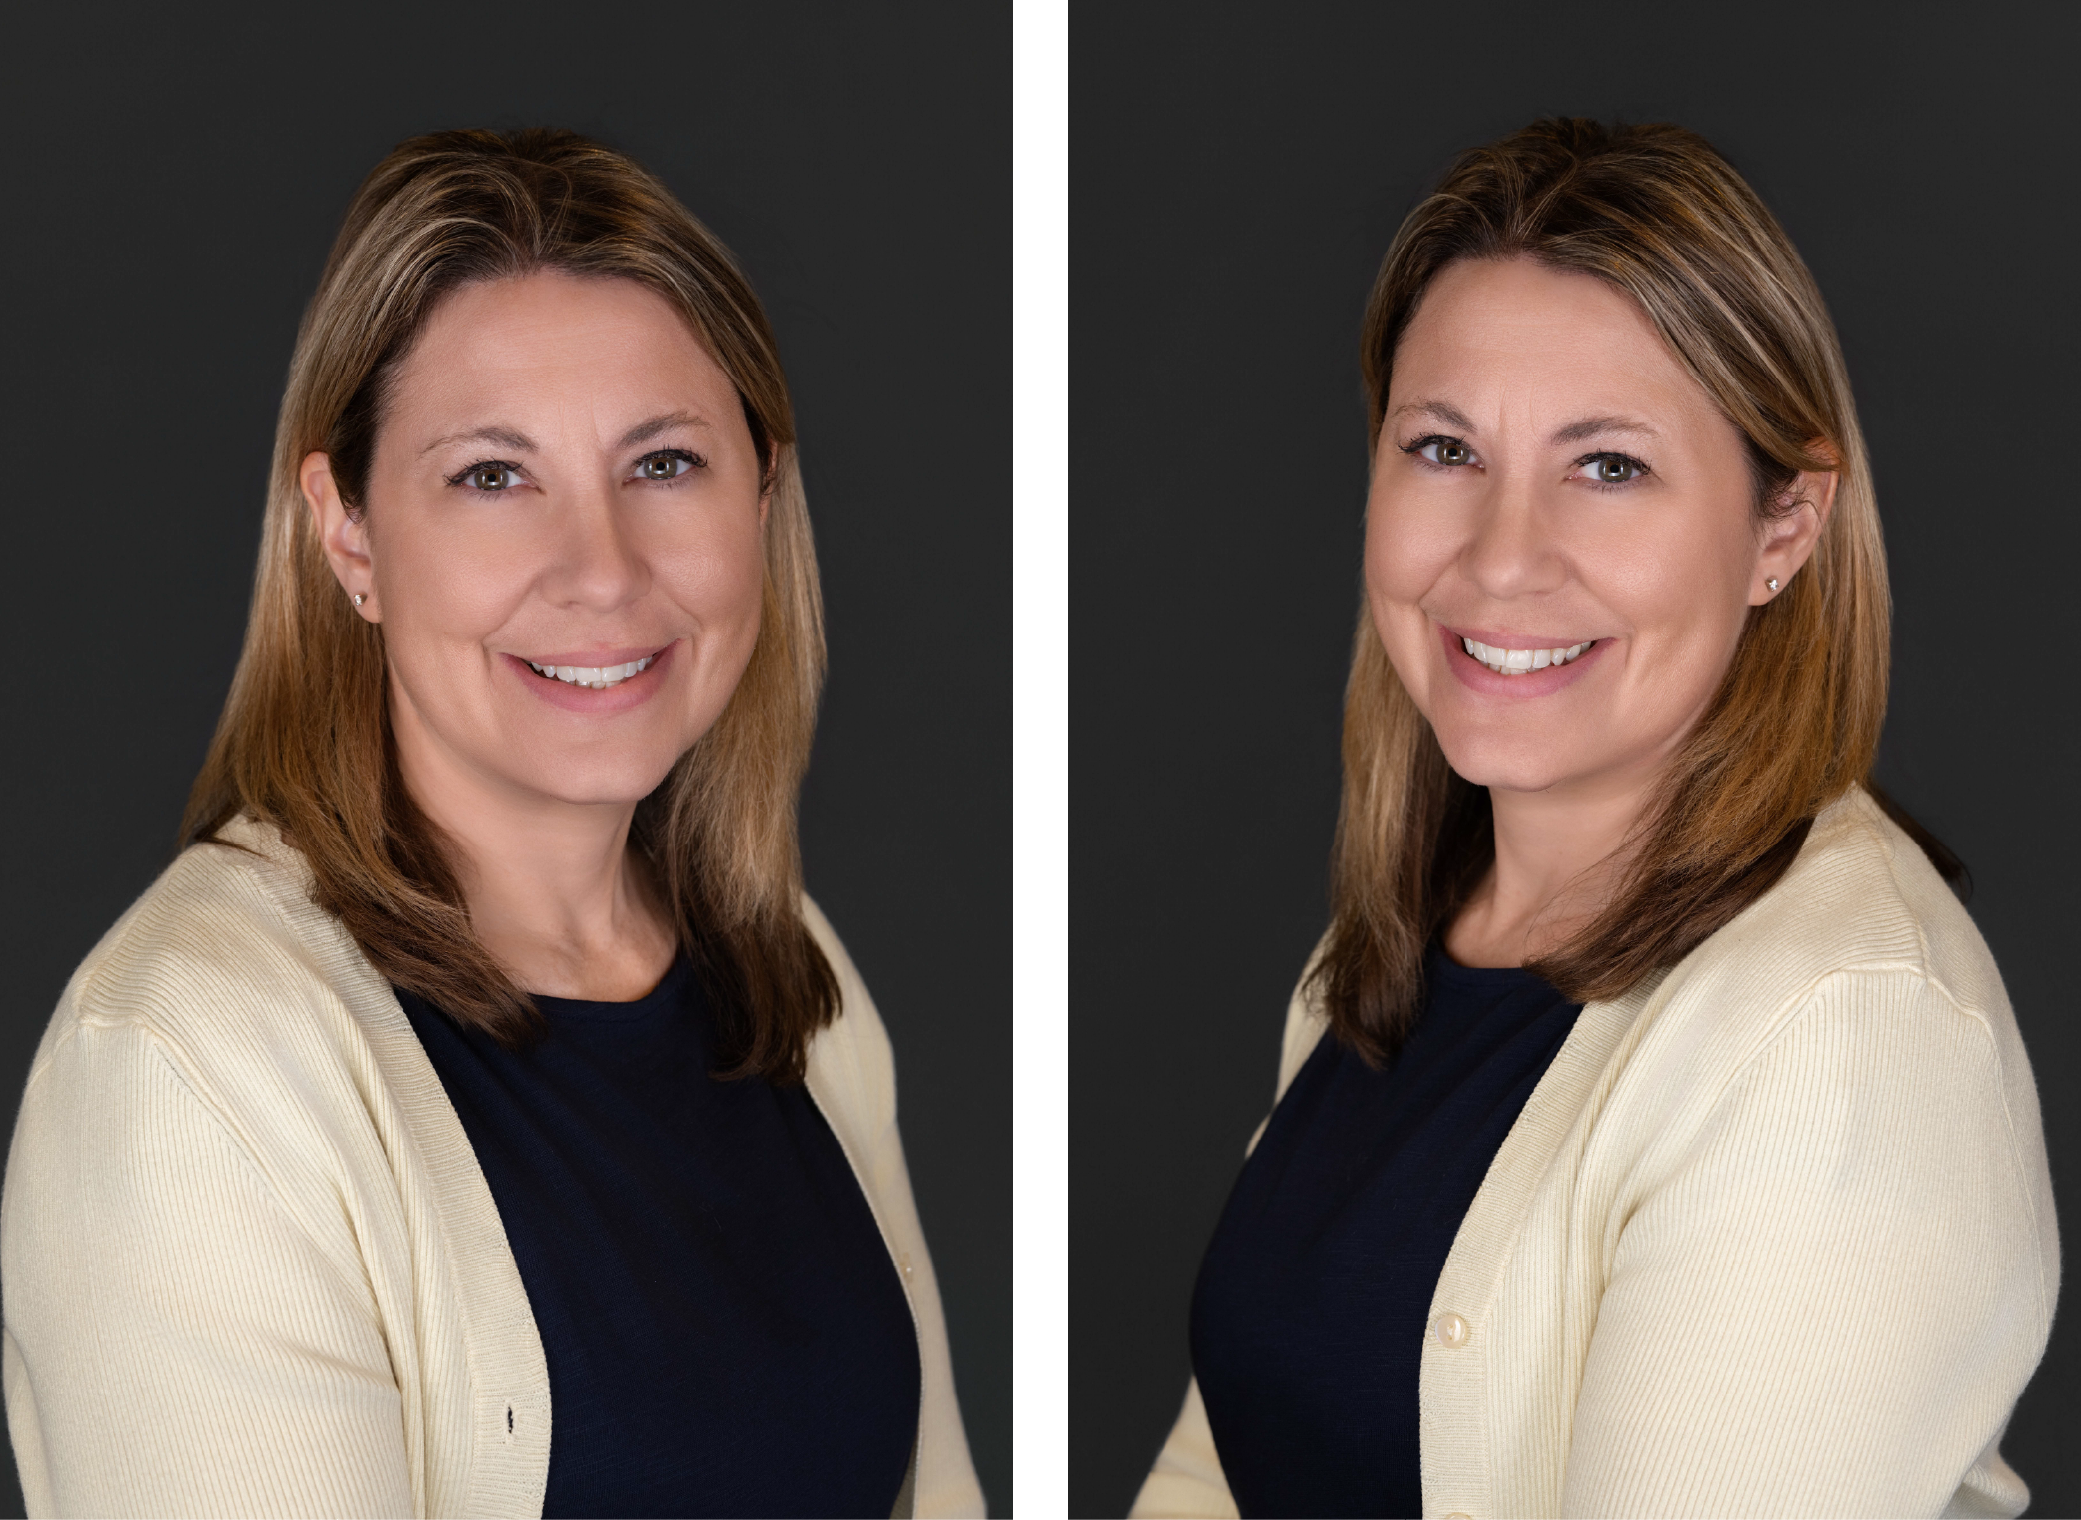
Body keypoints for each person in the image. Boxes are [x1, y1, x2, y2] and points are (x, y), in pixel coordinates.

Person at [2, 128, 982, 1520]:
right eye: (491, 476)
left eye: (663, 465)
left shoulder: (793, 982)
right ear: (348, 537)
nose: (600, 571)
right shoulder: (184, 1069)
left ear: (761, 497)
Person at [1132, 118, 2056, 1520]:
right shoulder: (1387, 957)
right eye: (1445, 448)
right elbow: (1224, 1465)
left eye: (1608, 466)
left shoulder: (1841, 1037)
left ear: (1784, 526)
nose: (1501, 558)